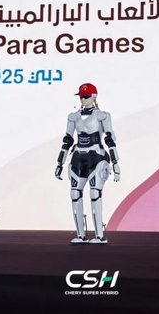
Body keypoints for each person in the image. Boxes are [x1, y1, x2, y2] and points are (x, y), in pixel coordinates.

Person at [55, 83, 121, 244]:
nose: (83, 100)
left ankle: (99, 235)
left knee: (94, 193)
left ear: (94, 96)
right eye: (81, 97)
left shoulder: (102, 116)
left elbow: (109, 138)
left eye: (85, 96)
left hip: (97, 157)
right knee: (75, 193)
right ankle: (81, 234)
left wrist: (115, 162)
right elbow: (67, 140)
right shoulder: (73, 117)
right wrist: (60, 163)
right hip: (78, 157)